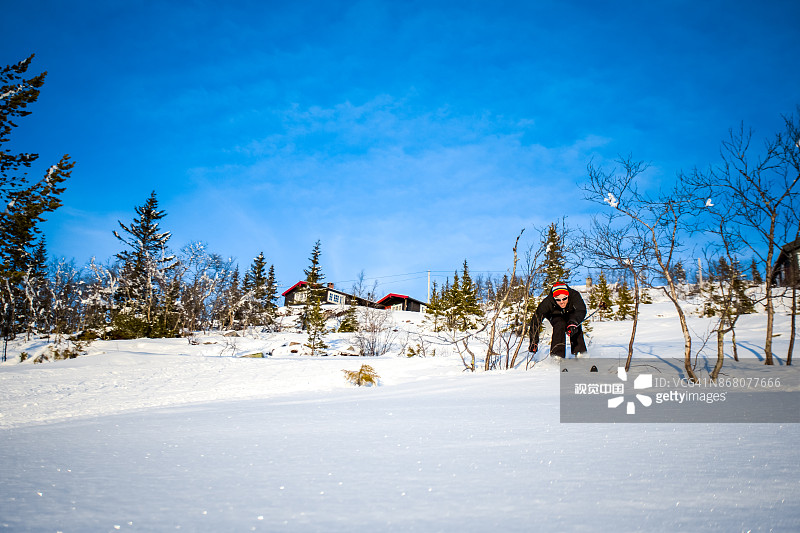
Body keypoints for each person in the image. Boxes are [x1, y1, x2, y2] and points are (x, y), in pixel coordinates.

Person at [529, 282, 587, 358]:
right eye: (558, 300)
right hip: (555, 315)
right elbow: (536, 321)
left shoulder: (574, 295)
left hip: (571, 314)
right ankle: (557, 356)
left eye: (564, 298)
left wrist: (573, 322)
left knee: (574, 325)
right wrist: (534, 342)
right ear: (554, 298)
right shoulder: (547, 303)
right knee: (560, 324)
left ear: (568, 296)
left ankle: (580, 352)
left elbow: (581, 310)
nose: (562, 302)